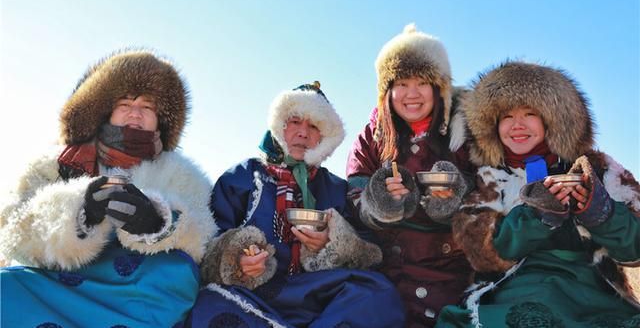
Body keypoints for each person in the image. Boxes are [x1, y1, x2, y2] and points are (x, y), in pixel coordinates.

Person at [0, 50, 217, 327]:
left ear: (160, 119)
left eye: (148, 106)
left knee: (177, 275)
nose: (136, 113)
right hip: (59, 283)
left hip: (138, 290)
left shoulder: (182, 173)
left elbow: (207, 239)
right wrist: (80, 214)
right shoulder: (56, 163)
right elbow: (13, 227)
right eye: (125, 103)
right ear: (105, 110)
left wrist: (159, 223)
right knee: (5, 288)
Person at [183, 82, 405, 328]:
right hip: (254, 293)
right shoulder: (241, 177)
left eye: (313, 126)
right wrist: (237, 263)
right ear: (280, 126)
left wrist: (333, 244)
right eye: (295, 121)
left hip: (315, 291)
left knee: (379, 292)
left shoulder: (335, 188)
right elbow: (208, 241)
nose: (303, 133)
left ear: (324, 137)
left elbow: (370, 250)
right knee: (210, 304)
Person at [436, 61, 640, 327]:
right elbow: (483, 254)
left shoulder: (597, 169)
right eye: (506, 117)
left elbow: (634, 250)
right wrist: (536, 217)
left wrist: (602, 213)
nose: (517, 125)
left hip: (593, 291)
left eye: (529, 114)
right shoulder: (488, 178)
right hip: (513, 288)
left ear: (550, 119)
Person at [346, 24, 475, 327]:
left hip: (452, 268)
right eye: (401, 83)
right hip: (388, 267)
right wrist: (379, 201)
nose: (412, 94)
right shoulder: (371, 137)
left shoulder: (463, 133)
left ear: (439, 88)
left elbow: (487, 191)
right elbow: (353, 195)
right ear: (387, 91)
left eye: (422, 82)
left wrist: (454, 198)